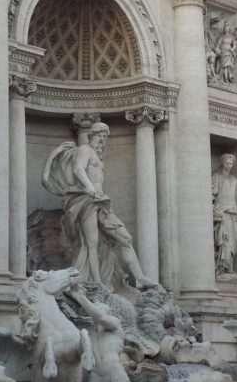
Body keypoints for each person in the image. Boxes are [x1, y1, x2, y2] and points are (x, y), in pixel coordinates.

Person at [42, 122, 157, 289]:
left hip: (101, 201)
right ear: (93, 135)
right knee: (92, 243)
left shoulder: (97, 156)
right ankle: (96, 283)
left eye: (105, 137)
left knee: (125, 238)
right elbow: (78, 169)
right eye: (101, 136)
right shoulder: (85, 150)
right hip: (86, 200)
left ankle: (139, 278)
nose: (103, 140)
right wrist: (88, 187)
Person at [211, 154, 237, 276]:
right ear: (222, 163)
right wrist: (214, 208)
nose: (229, 165)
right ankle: (222, 267)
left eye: (231, 164)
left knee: (233, 242)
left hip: (233, 215)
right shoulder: (217, 177)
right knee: (224, 241)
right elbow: (212, 194)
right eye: (227, 163)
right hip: (223, 213)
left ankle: (229, 267)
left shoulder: (235, 180)